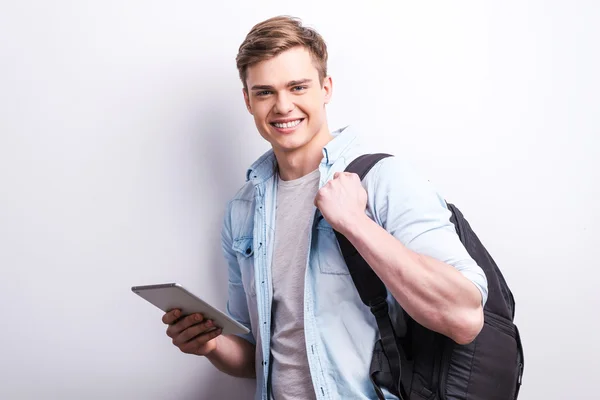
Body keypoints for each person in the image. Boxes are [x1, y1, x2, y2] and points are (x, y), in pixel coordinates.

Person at [161, 15, 488, 400]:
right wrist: (210, 345)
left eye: (298, 87)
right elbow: (259, 356)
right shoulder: (242, 211)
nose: (283, 106)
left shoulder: (383, 180)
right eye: (265, 92)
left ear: (326, 88)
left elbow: (465, 317)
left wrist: (355, 223)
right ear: (248, 100)